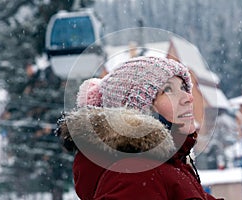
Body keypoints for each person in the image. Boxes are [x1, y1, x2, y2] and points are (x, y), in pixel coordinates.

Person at [56, 56, 223, 200]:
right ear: (139, 112)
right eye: (167, 89)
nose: (188, 97)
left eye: (183, 87)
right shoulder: (137, 175)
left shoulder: (168, 166)